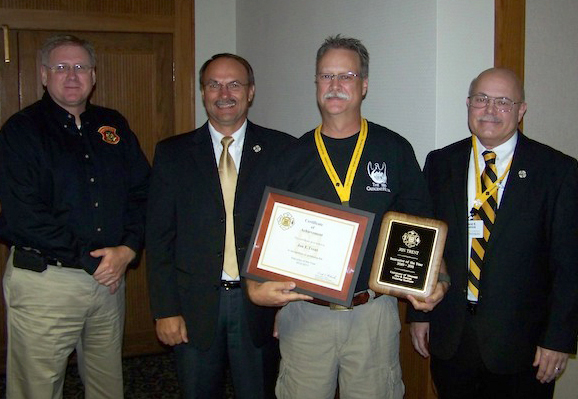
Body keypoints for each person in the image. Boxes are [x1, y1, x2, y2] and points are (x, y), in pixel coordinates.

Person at [247, 35, 448, 399]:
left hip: (372, 312)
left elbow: (422, 223)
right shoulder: (291, 157)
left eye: (347, 76)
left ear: (364, 85)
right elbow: (266, 231)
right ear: (316, 85)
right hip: (305, 313)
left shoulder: (394, 149)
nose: (335, 86)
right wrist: (256, 285)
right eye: (326, 76)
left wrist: (438, 279)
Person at [409, 67, 578, 399]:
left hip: (523, 348)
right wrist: (419, 313)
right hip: (451, 337)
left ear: (521, 110)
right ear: (468, 104)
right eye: (481, 99)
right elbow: (426, 246)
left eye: (503, 101)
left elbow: (569, 265)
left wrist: (558, 340)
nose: (489, 110)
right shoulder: (441, 163)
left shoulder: (557, 171)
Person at [0, 34, 150, 398]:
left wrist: (128, 249)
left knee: (107, 384)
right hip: (47, 283)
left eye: (80, 67)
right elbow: (23, 216)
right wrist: (92, 261)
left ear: (93, 76)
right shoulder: (21, 131)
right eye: (61, 67)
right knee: (37, 387)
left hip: (108, 280)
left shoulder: (112, 125)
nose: (71, 75)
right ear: (43, 74)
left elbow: (143, 193)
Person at [146, 53, 295, 399]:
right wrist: (165, 310)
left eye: (234, 84)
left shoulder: (282, 149)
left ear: (251, 91)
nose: (223, 93)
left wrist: (287, 307)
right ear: (202, 92)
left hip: (258, 306)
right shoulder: (172, 154)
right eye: (213, 84)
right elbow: (159, 239)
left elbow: (293, 232)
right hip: (194, 306)